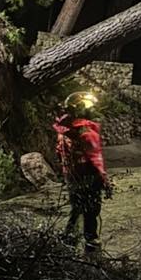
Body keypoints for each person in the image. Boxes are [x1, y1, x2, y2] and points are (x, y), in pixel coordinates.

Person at [54, 90, 112, 253]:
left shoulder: (62, 132)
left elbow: (59, 154)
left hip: (71, 176)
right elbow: (95, 157)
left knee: (76, 208)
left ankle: (67, 243)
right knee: (91, 211)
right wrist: (104, 179)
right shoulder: (87, 132)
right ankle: (91, 245)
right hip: (89, 176)